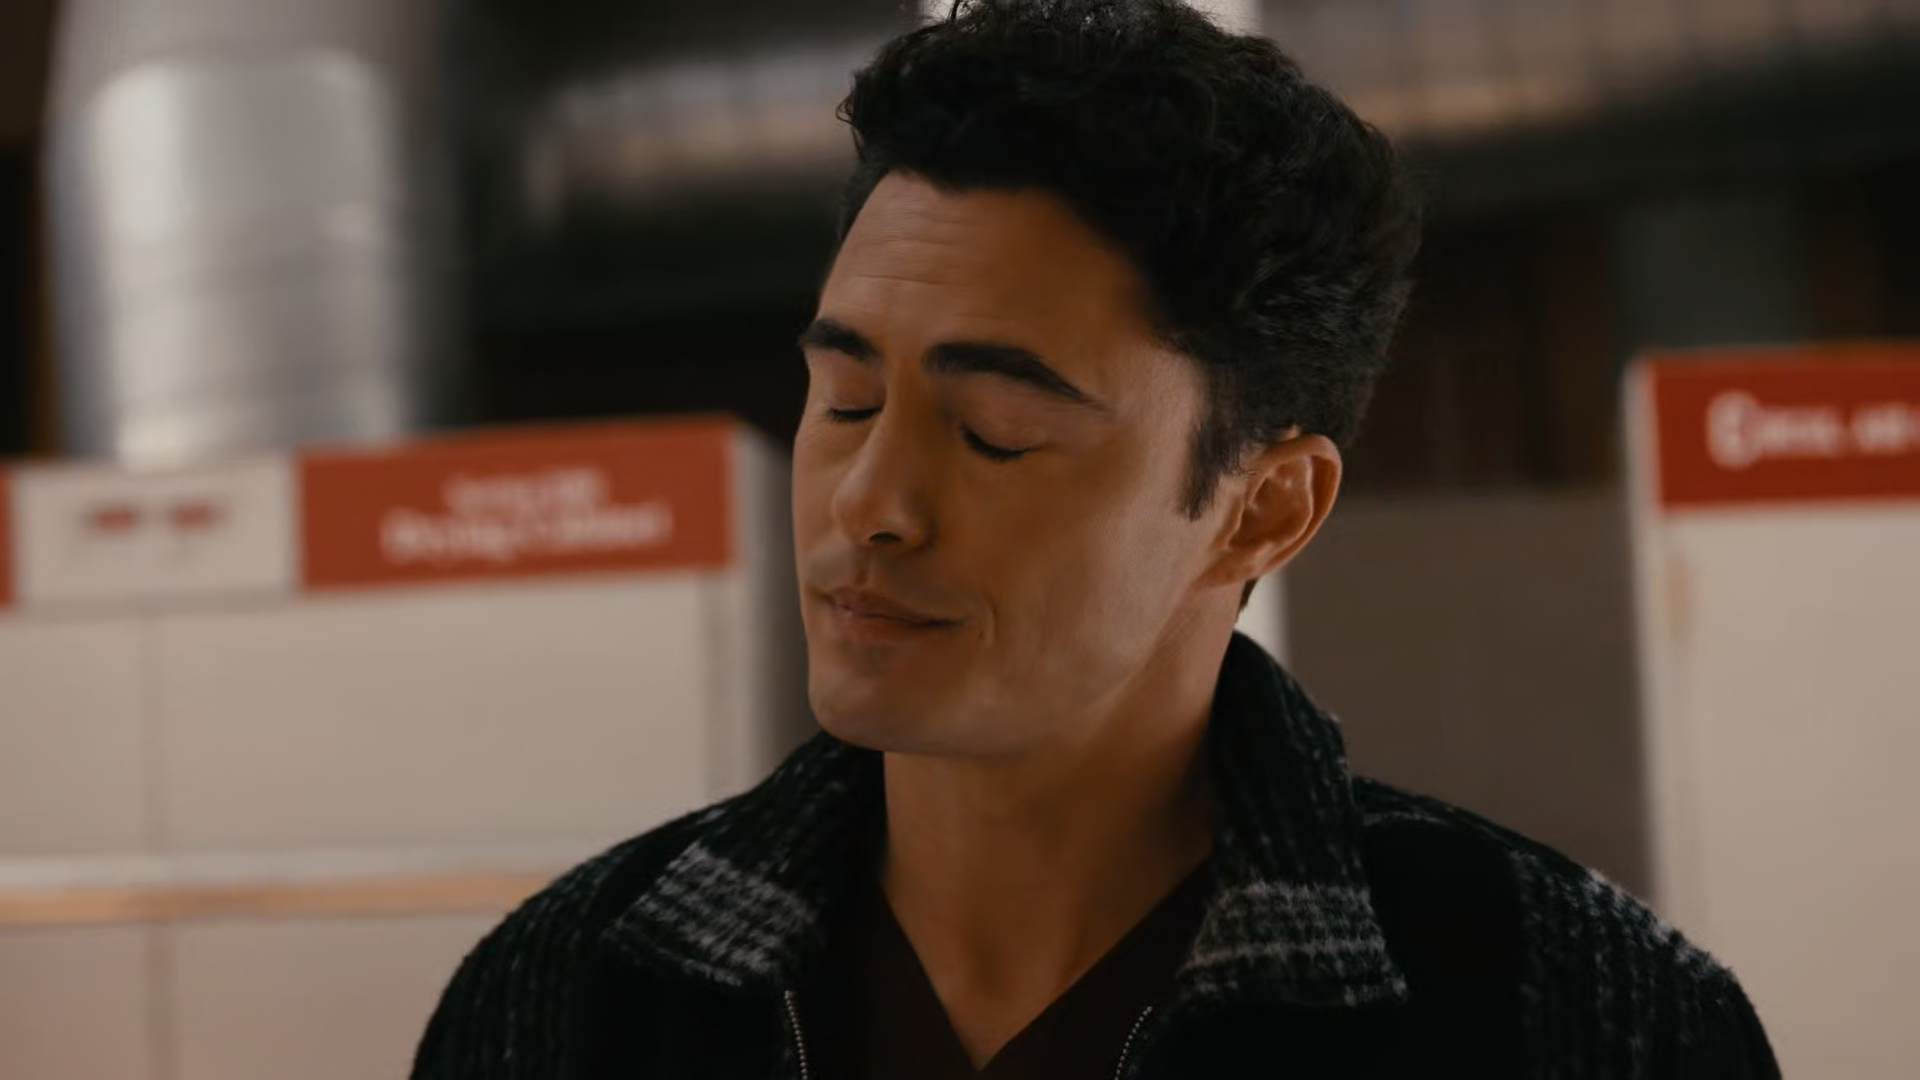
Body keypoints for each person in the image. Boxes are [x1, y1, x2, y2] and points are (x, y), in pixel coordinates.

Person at [412, 2, 1778, 1077]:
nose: (869, 503)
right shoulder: (571, 999)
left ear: (1263, 507)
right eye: (845, 400)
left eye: (995, 432)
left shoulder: (1577, 1017)